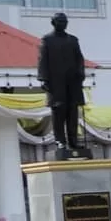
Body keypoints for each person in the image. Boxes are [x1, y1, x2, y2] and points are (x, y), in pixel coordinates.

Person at [38, 11, 86, 154]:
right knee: (58, 113)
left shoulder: (73, 40)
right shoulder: (47, 40)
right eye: (59, 22)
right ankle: (60, 141)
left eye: (65, 22)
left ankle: (73, 141)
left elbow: (79, 59)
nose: (63, 24)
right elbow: (42, 60)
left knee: (72, 112)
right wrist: (43, 78)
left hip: (72, 82)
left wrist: (80, 74)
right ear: (53, 23)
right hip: (56, 82)